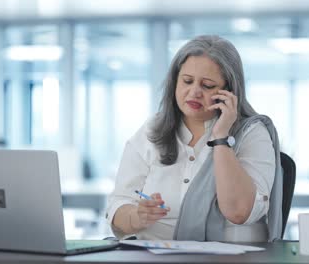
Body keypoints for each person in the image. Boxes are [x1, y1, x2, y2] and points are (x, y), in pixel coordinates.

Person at [105, 35, 282, 242]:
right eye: (187, 81)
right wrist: (136, 217)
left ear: (229, 92)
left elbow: (239, 212)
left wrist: (221, 138)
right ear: (175, 82)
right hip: (153, 255)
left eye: (207, 85)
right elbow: (118, 206)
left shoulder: (252, 133)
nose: (194, 92)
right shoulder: (152, 129)